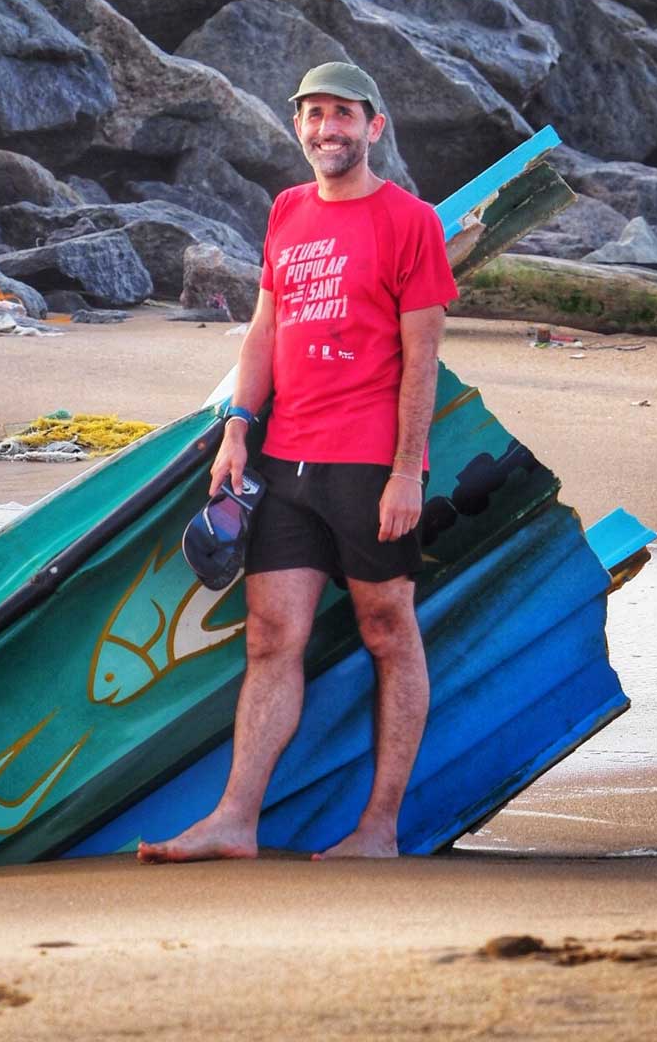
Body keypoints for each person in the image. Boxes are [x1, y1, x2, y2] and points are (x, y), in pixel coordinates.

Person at [138, 61, 458, 863]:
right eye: (314, 115)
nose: (327, 129)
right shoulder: (286, 211)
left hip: (366, 468)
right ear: (299, 127)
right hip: (285, 461)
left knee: (390, 633)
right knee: (270, 640)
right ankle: (234, 821)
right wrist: (239, 427)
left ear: (374, 126)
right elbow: (263, 332)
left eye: (343, 114)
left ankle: (378, 830)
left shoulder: (410, 221)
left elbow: (423, 360)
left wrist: (407, 471)